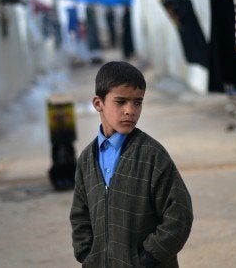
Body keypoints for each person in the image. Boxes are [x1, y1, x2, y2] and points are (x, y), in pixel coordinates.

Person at [70, 61, 193, 267]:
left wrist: (149, 258)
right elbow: (80, 215)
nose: (130, 110)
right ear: (98, 103)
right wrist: (86, 255)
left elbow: (179, 214)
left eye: (137, 102)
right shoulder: (86, 159)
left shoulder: (152, 155)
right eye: (121, 101)